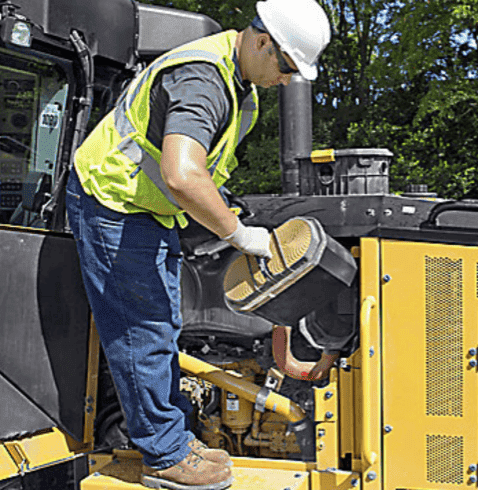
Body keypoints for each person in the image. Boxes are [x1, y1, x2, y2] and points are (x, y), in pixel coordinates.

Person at [65, 1, 331, 488]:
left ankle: (173, 437)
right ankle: (164, 456)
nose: (289, 80)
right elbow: (183, 174)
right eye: (288, 66)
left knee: (165, 324)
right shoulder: (203, 79)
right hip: (113, 201)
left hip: (149, 206)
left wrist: (230, 208)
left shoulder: (238, 84)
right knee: (142, 328)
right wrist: (236, 232)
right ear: (261, 41)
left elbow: (199, 171)